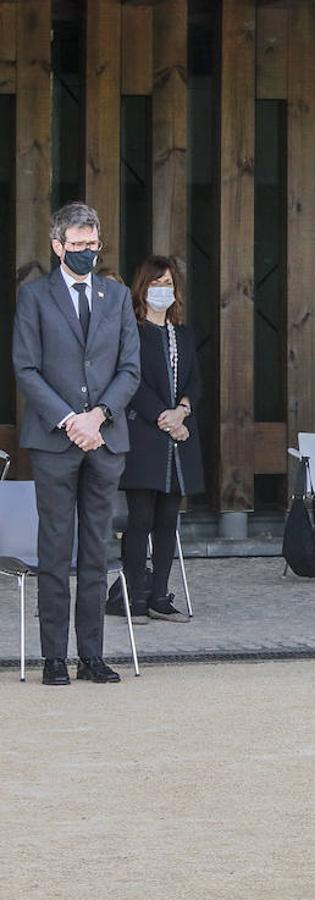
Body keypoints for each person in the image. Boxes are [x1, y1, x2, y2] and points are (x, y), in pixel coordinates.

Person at [12, 201, 141, 685]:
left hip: (105, 440)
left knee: (95, 551)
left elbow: (130, 367)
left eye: (93, 245)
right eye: (78, 245)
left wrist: (99, 415)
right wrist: (70, 420)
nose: (87, 252)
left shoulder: (116, 294)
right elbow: (26, 367)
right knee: (55, 549)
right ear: (57, 246)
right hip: (55, 440)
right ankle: (53, 657)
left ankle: (91, 655)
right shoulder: (35, 297)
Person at [115, 256, 202, 624]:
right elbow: (131, 382)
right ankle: (133, 596)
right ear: (142, 288)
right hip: (144, 435)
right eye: (156, 284)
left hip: (179, 437)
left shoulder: (183, 334)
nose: (162, 291)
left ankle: (159, 596)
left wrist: (182, 411)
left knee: (169, 519)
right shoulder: (131, 331)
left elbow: (195, 380)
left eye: (168, 284)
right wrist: (163, 417)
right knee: (140, 518)